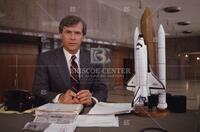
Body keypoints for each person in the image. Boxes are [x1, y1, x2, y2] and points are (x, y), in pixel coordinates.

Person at [32, 15, 107, 106]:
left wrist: (92, 99)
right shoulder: (46, 59)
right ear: (61, 34)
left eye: (77, 33)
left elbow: (102, 90)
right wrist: (59, 98)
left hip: (87, 114)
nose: (72, 37)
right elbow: (39, 90)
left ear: (83, 36)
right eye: (68, 32)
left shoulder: (94, 59)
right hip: (58, 114)